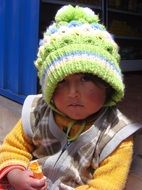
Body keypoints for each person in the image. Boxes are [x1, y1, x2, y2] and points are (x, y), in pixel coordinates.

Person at [0, 4, 141, 190]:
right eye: (61, 81)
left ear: (107, 84)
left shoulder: (116, 136)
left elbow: (106, 185)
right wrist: (16, 175)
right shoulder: (37, 112)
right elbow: (11, 148)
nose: (72, 92)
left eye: (86, 78)